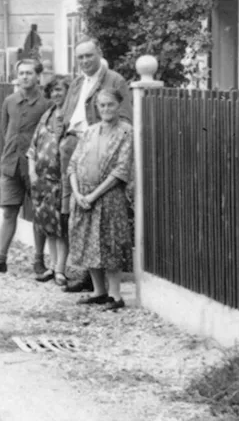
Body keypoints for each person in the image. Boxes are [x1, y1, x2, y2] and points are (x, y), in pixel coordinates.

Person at [59, 38, 132, 294]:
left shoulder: (114, 80)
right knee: (73, 212)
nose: (85, 61)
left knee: (102, 222)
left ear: (99, 53)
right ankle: (85, 273)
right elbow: (65, 114)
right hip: (75, 146)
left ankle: (99, 285)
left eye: (89, 55)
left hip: (100, 150)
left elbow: (123, 119)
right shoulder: (78, 81)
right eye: (80, 57)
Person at [0, 58, 51, 274]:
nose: (25, 77)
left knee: (39, 213)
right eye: (21, 73)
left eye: (29, 73)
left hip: (35, 168)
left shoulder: (45, 105)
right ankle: (0, 258)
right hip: (10, 165)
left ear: (38, 76)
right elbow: (5, 130)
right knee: (8, 212)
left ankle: (38, 259)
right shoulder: (9, 101)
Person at [66, 87, 134, 311]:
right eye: (102, 105)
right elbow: (73, 164)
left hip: (108, 197)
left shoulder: (126, 132)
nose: (106, 109)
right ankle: (99, 291)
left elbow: (121, 169)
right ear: (97, 108)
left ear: (118, 106)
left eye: (110, 105)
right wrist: (77, 193)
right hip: (84, 195)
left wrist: (94, 195)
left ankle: (115, 295)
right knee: (88, 243)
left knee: (109, 243)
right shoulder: (90, 131)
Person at [25, 75, 70, 284]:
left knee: (61, 227)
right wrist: (33, 174)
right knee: (48, 226)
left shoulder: (70, 118)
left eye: (60, 90)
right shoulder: (46, 115)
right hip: (42, 183)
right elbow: (32, 148)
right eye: (53, 91)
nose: (57, 94)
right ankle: (52, 266)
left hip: (61, 182)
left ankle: (61, 269)